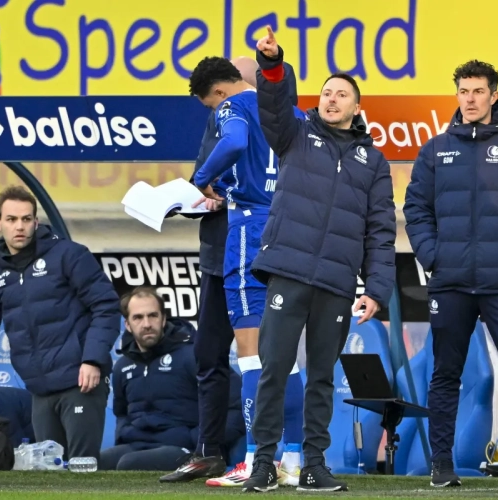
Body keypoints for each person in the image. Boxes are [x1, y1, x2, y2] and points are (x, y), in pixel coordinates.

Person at [243, 27, 396, 493]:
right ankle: (263, 464)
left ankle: (313, 464)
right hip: (288, 274)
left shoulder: (374, 162)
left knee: (323, 377)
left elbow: (380, 231)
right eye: (327, 92)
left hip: (335, 283)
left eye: (342, 94)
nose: (331, 99)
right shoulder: (295, 134)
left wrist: (376, 289)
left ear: (357, 108)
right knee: (273, 370)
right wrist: (272, 65)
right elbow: (273, 106)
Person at [403, 60, 498, 487]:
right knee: (445, 375)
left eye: (478, 91)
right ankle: (442, 466)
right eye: (463, 91)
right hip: (449, 281)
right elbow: (415, 208)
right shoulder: (435, 150)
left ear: (493, 95)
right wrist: (432, 255)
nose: (469, 99)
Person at [160, 57, 305, 484]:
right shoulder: (292, 113)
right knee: (286, 357)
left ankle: (256, 460)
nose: (214, 111)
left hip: (249, 232)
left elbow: (235, 142)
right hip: (290, 231)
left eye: (211, 105)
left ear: (220, 92)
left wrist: (202, 179)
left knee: (250, 353)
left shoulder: (235, 106)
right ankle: (292, 460)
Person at [0, 186, 121, 461]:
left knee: (83, 469)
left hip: (80, 381)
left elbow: (106, 305)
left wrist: (92, 360)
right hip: (39, 390)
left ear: (36, 221)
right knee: (49, 473)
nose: (19, 226)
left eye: (26, 219)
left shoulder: (69, 254)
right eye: (11, 219)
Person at [101, 287, 244, 471]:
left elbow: (238, 404)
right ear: (127, 325)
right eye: (138, 317)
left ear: (163, 319)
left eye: (153, 315)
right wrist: (123, 434)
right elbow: (121, 414)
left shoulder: (194, 356)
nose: (147, 324)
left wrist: (201, 442)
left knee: (128, 464)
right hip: (137, 445)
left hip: (186, 448)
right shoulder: (122, 366)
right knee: (95, 463)